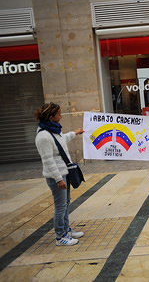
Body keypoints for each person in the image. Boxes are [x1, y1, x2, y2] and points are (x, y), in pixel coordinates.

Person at [34, 102, 85, 246]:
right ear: (51, 117)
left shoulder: (52, 131)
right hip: (56, 176)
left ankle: (66, 230)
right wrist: (58, 179)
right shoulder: (43, 136)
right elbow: (48, 160)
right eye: (59, 114)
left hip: (64, 173)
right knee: (60, 206)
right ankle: (60, 236)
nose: (61, 117)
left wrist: (75, 133)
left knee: (66, 203)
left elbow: (62, 140)